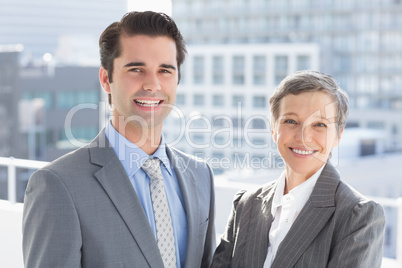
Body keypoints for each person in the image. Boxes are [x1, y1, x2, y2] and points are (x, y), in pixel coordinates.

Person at [23, 11, 215, 268]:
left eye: (165, 70)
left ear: (177, 79)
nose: (152, 84)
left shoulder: (200, 175)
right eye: (137, 69)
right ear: (106, 79)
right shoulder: (58, 185)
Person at [211, 70, 385, 268]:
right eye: (291, 121)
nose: (303, 137)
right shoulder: (246, 204)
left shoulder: (359, 216)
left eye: (319, 124)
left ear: (338, 135)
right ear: (274, 129)